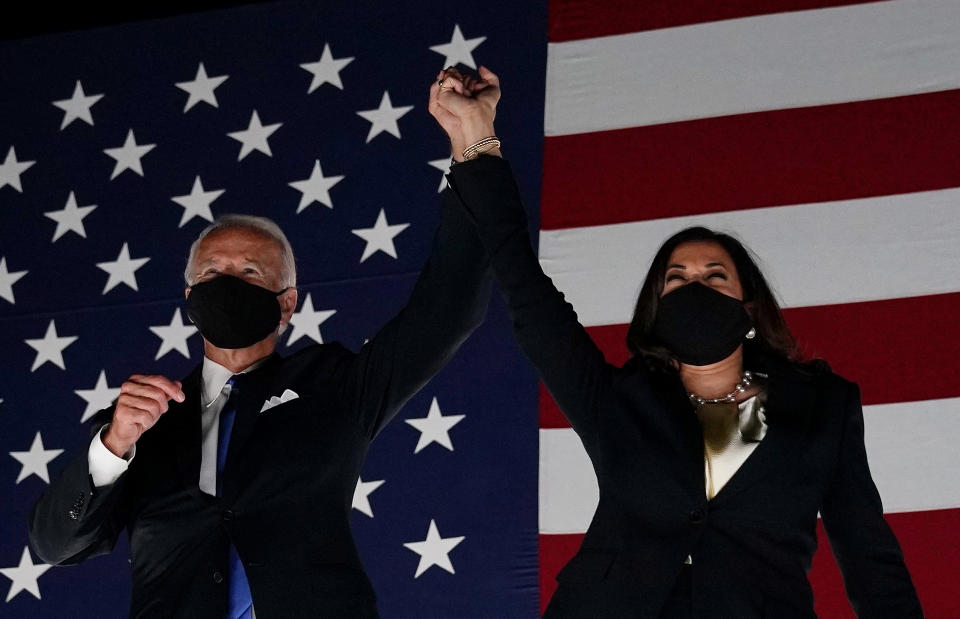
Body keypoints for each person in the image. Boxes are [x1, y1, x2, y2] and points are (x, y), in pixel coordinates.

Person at [431, 66, 923, 618]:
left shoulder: (825, 407)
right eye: (678, 278)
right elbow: (526, 290)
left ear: (750, 307)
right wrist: (478, 143)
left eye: (716, 277)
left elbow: (868, 553)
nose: (696, 286)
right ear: (656, 308)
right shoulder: (616, 400)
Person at [28, 72, 493, 617]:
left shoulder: (333, 386)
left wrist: (474, 147)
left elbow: (449, 308)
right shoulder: (141, 422)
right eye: (213, 272)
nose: (228, 283)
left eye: (250, 272)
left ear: (288, 302)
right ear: (189, 295)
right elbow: (54, 545)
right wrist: (112, 446)